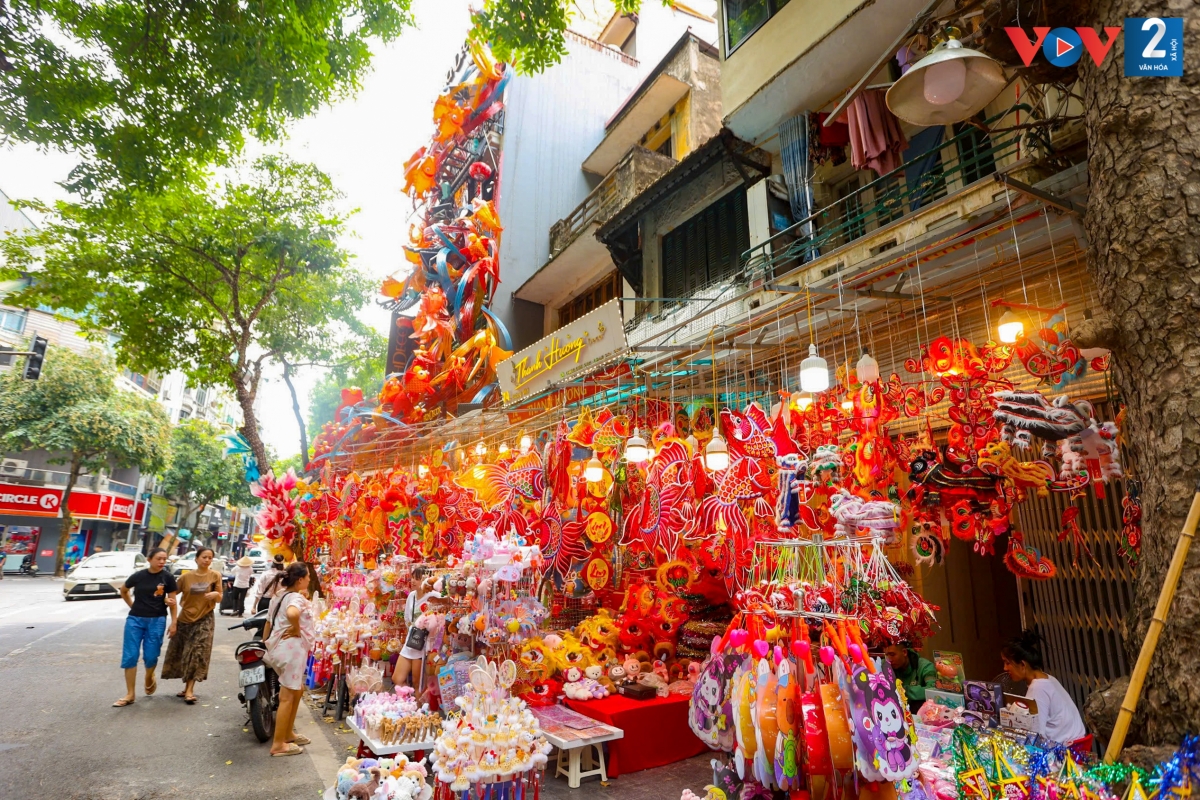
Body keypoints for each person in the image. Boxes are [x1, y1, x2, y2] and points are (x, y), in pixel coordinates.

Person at [114, 548, 178, 707]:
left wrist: (174, 622)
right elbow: (124, 590)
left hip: (157, 620)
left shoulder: (168, 577)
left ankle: (149, 676)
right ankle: (130, 694)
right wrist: (133, 606)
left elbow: (172, 601)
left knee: (151, 656)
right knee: (130, 656)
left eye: (164, 559)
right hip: (135, 620)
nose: (162, 562)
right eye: (158, 558)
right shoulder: (139, 576)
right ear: (149, 559)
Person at [263, 562, 315, 757]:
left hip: (279, 650)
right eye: (308, 576)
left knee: (297, 690)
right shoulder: (295, 598)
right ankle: (278, 744)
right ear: (300, 579)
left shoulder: (278, 595)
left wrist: (266, 642)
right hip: (291, 651)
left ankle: (288, 733)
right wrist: (295, 628)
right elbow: (292, 613)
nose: (310, 579)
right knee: (287, 697)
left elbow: (269, 622)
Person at [1002, 630, 1087, 743]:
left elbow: (1037, 735)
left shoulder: (1038, 688)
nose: (1005, 668)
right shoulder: (1047, 678)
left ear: (1022, 665)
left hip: (1068, 750)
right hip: (1078, 741)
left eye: (1007, 663)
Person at [161, 547, 222, 704]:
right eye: (204, 557)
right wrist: (167, 601)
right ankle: (186, 685)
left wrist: (216, 595)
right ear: (196, 559)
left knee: (197, 652)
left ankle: (189, 690)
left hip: (205, 618)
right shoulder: (185, 578)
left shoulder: (215, 576)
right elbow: (172, 594)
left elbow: (220, 598)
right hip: (185, 619)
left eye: (210, 557)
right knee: (184, 653)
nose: (207, 560)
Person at [392, 568, 435, 689]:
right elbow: (407, 618)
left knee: (417, 682)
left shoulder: (432, 596)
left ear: (426, 580)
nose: (413, 581)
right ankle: (408, 701)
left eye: (417, 578)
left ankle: (418, 706)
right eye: (413, 578)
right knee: (397, 678)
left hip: (423, 643)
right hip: (411, 640)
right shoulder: (411, 596)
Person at [883, 642, 938, 712]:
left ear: (904, 652)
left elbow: (933, 691)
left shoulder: (925, 666)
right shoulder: (886, 665)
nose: (889, 659)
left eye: (892, 654)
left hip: (922, 713)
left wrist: (903, 690)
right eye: (886, 655)